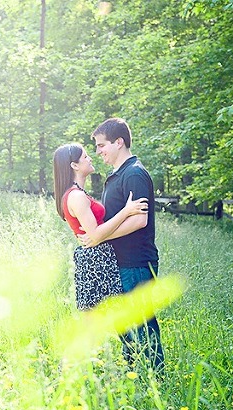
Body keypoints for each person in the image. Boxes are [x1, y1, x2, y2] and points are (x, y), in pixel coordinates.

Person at [79, 118, 164, 373]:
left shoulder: (135, 173)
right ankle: (134, 378)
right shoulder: (116, 176)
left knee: (142, 326)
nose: (98, 151)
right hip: (119, 263)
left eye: (102, 145)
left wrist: (99, 237)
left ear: (119, 142)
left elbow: (140, 220)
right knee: (125, 327)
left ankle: (155, 383)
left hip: (137, 263)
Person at [53, 142, 148, 310]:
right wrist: (126, 211)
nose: (90, 158)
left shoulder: (78, 193)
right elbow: (96, 235)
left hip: (99, 257)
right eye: (85, 156)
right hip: (94, 260)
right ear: (74, 165)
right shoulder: (76, 196)